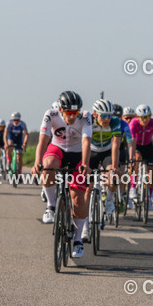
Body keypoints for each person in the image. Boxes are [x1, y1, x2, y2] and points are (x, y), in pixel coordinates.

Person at [31, 91, 92, 259]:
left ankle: (78, 240)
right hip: (57, 149)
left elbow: (87, 141)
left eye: (76, 112)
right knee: (48, 166)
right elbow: (43, 139)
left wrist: (85, 164)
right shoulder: (50, 114)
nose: (72, 116)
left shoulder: (86, 116)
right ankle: (51, 206)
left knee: (78, 199)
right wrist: (37, 162)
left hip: (78, 154)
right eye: (69, 113)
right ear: (60, 109)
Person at [87, 99, 125, 230]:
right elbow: (84, 142)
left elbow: (116, 144)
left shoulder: (115, 122)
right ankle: (86, 219)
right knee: (86, 183)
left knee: (114, 176)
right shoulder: (89, 121)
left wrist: (114, 167)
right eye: (103, 115)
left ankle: (109, 199)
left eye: (109, 115)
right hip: (91, 151)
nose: (107, 119)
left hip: (107, 152)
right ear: (95, 114)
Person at [128, 104, 153, 207]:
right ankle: (133, 187)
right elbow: (132, 141)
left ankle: (150, 195)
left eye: (147, 117)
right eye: (142, 117)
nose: (145, 120)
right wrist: (132, 157)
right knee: (137, 160)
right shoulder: (133, 123)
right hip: (137, 145)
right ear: (137, 117)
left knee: (151, 172)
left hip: (148, 146)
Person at [5, 112, 29, 177]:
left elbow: (26, 134)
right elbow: (5, 134)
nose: (16, 121)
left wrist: (25, 143)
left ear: (19, 119)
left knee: (19, 156)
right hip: (11, 138)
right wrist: (6, 143)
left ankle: (20, 173)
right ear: (12, 120)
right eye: (14, 120)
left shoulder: (22, 124)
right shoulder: (9, 123)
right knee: (9, 144)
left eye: (17, 120)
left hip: (19, 140)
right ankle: (8, 161)